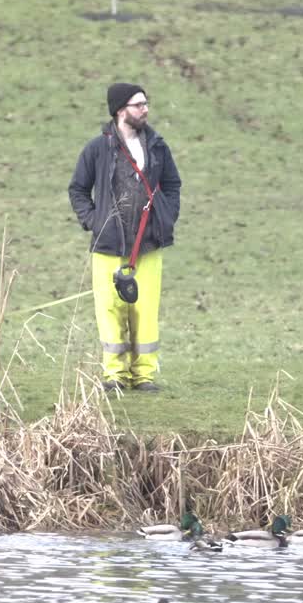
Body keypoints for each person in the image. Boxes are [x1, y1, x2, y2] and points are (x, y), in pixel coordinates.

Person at [68, 83, 182, 392]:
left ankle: (143, 376)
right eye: (138, 104)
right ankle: (114, 375)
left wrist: (166, 216)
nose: (145, 109)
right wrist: (94, 221)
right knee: (110, 311)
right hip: (108, 246)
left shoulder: (157, 146)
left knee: (146, 311)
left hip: (148, 244)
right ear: (120, 110)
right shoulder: (97, 149)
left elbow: (173, 185)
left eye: (146, 103)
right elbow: (78, 189)